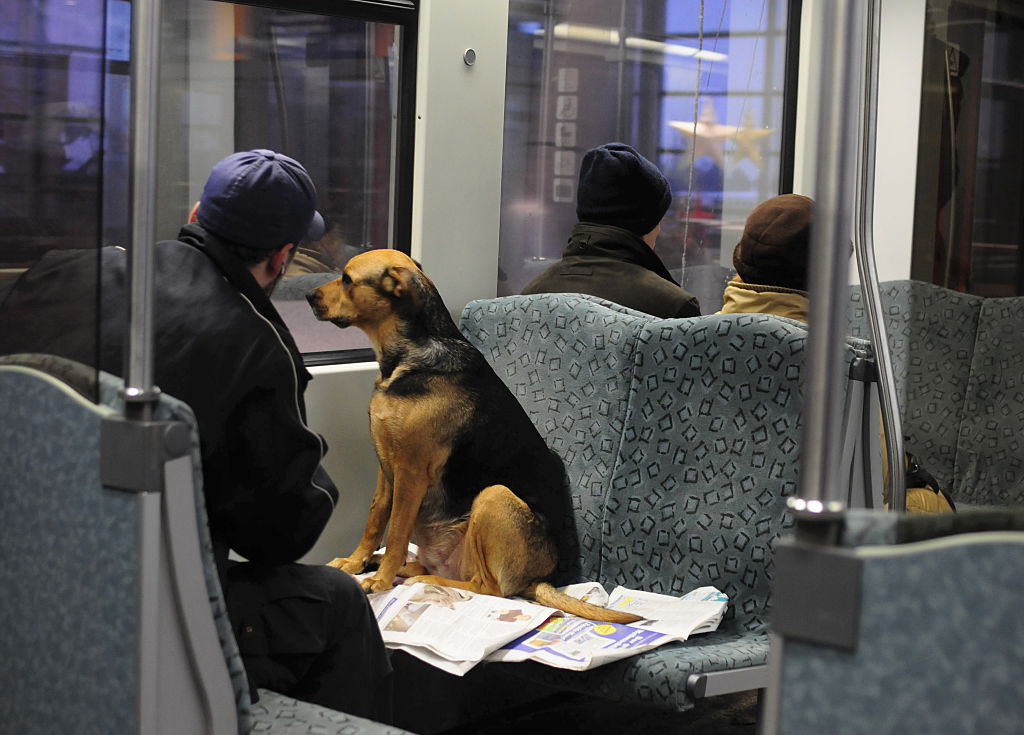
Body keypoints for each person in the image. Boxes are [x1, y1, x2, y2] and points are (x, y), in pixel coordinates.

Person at [0, 149, 392, 718]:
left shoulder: (63, 272)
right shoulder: (256, 344)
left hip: (22, 573)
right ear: (284, 256)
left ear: (196, 212)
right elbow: (278, 538)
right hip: (134, 605)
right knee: (336, 602)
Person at [718, 193, 954, 514]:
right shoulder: (848, 366)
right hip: (812, 531)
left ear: (740, 262)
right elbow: (877, 477)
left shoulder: (688, 340)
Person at [521, 142, 701, 318]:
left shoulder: (531, 295)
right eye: (658, 220)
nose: (660, 230)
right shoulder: (673, 306)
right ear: (644, 223)